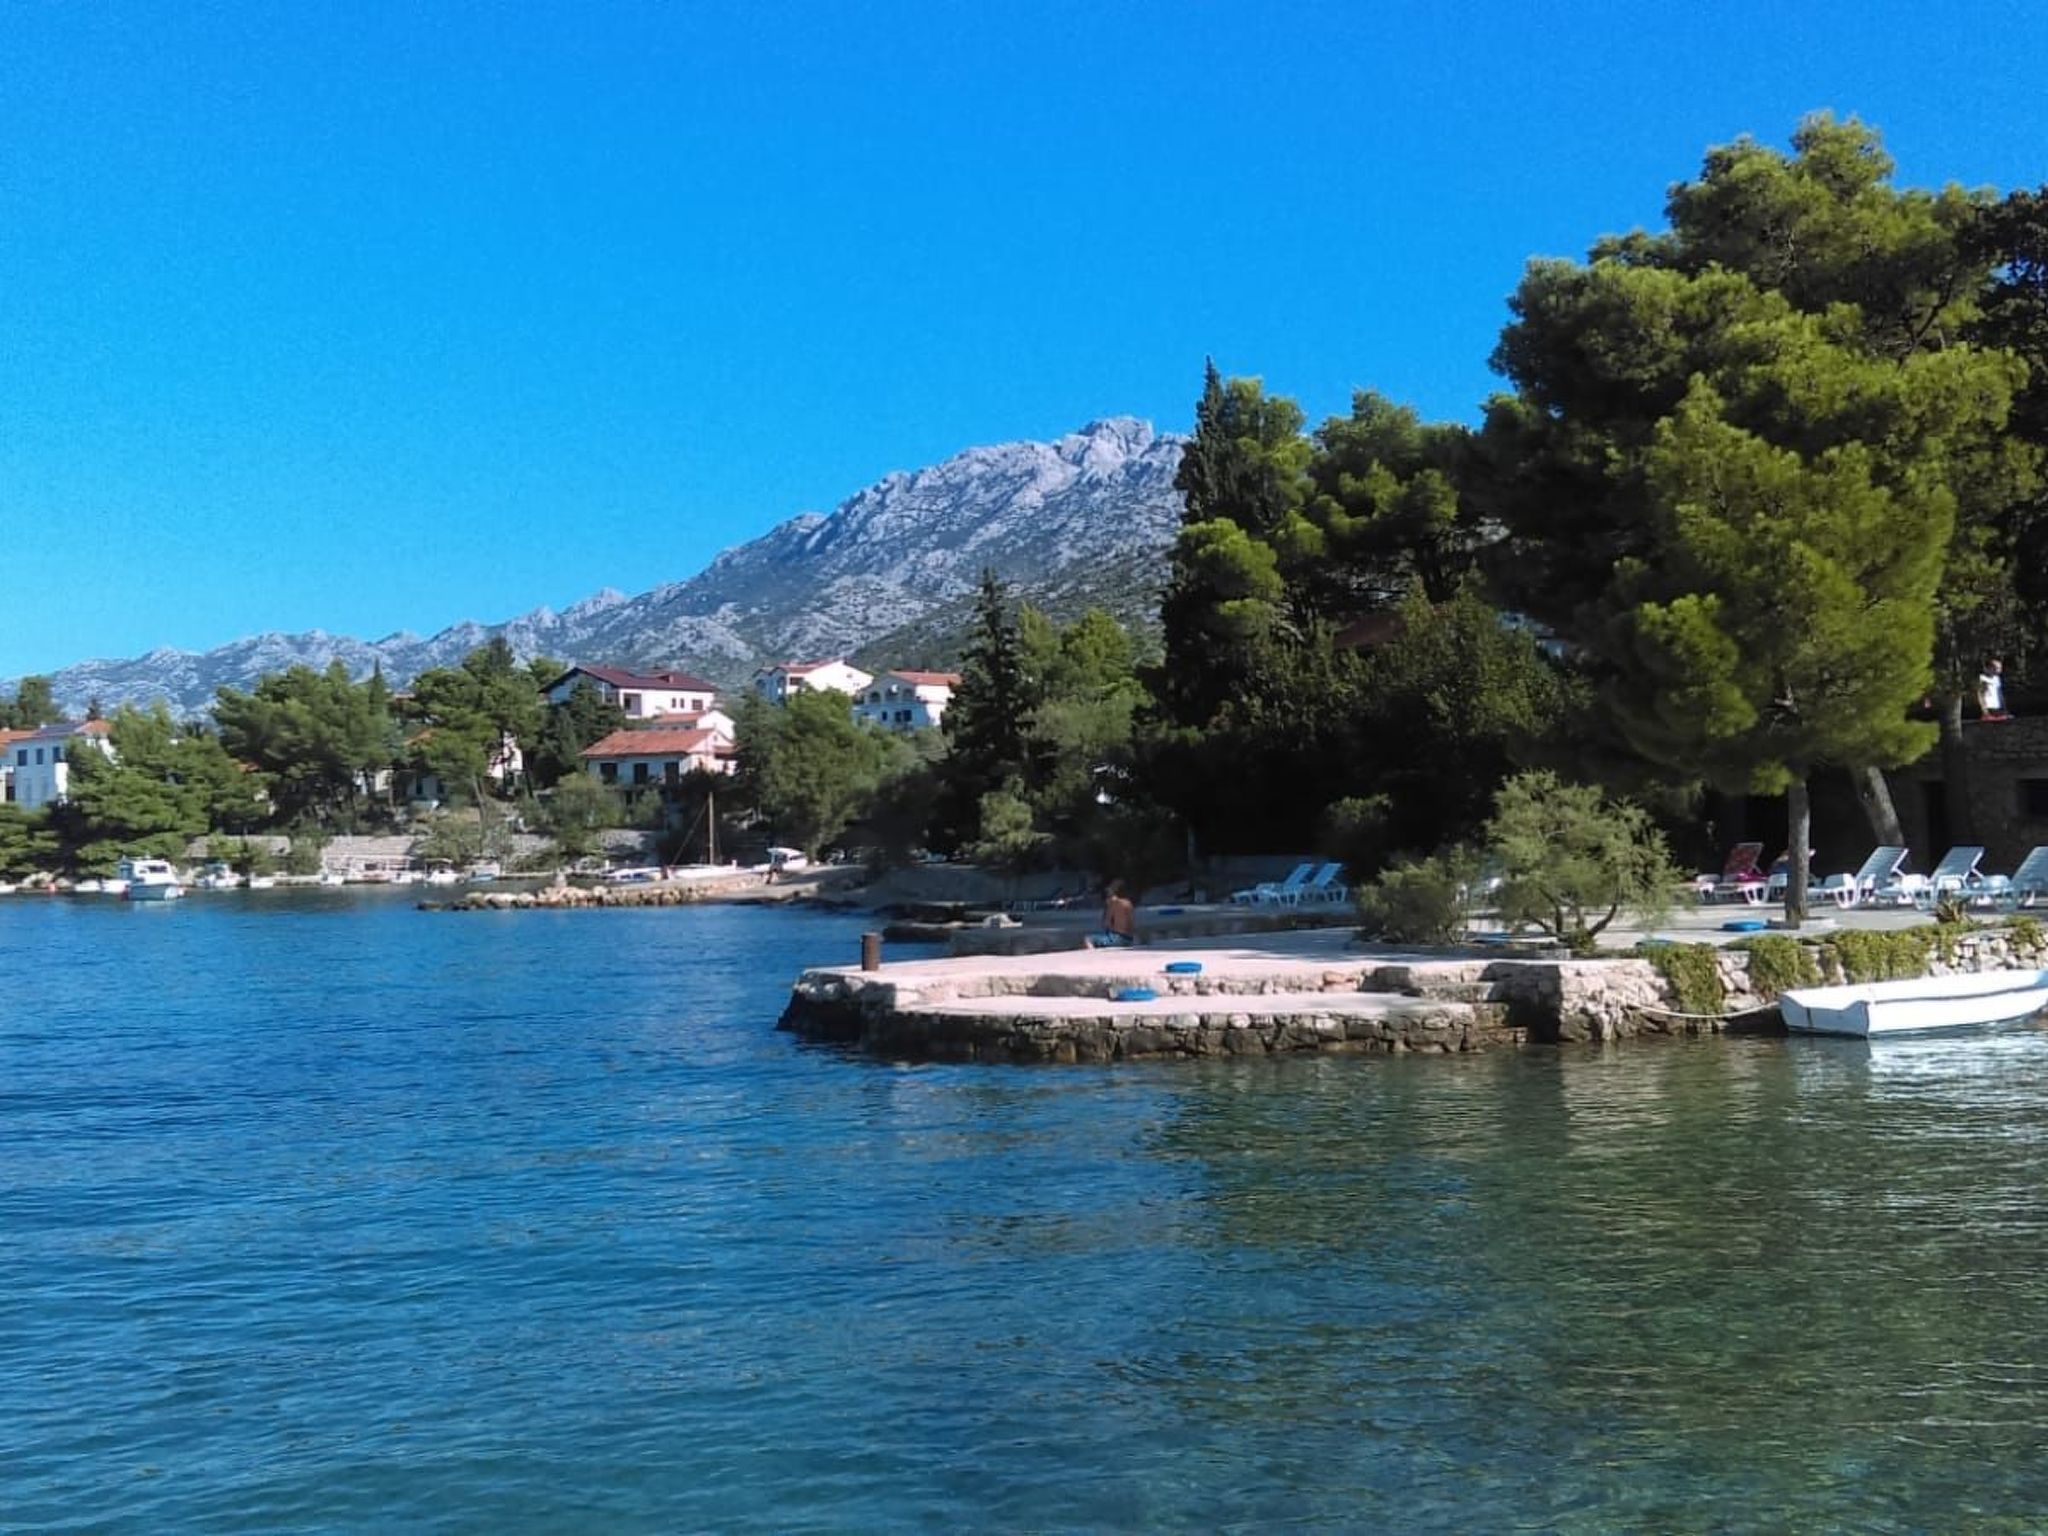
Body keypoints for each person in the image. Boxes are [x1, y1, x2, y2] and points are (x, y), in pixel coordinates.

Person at [1084, 879, 1137, 949]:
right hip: (1129, 939)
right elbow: (1132, 923)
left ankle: (1094, 954)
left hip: (1117, 938)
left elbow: (1106, 924)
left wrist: (1107, 909)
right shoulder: (1128, 903)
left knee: (1088, 939)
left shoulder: (1113, 903)